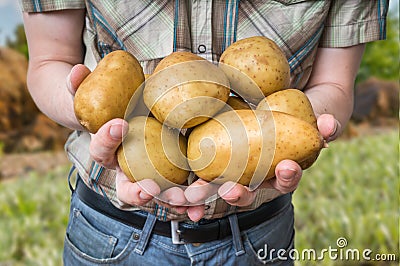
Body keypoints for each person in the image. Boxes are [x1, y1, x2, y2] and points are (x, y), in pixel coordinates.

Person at [19, 1, 388, 265]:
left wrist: (304, 128)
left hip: (260, 237)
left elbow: (333, 85)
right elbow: (49, 62)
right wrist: (94, 121)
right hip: (109, 231)